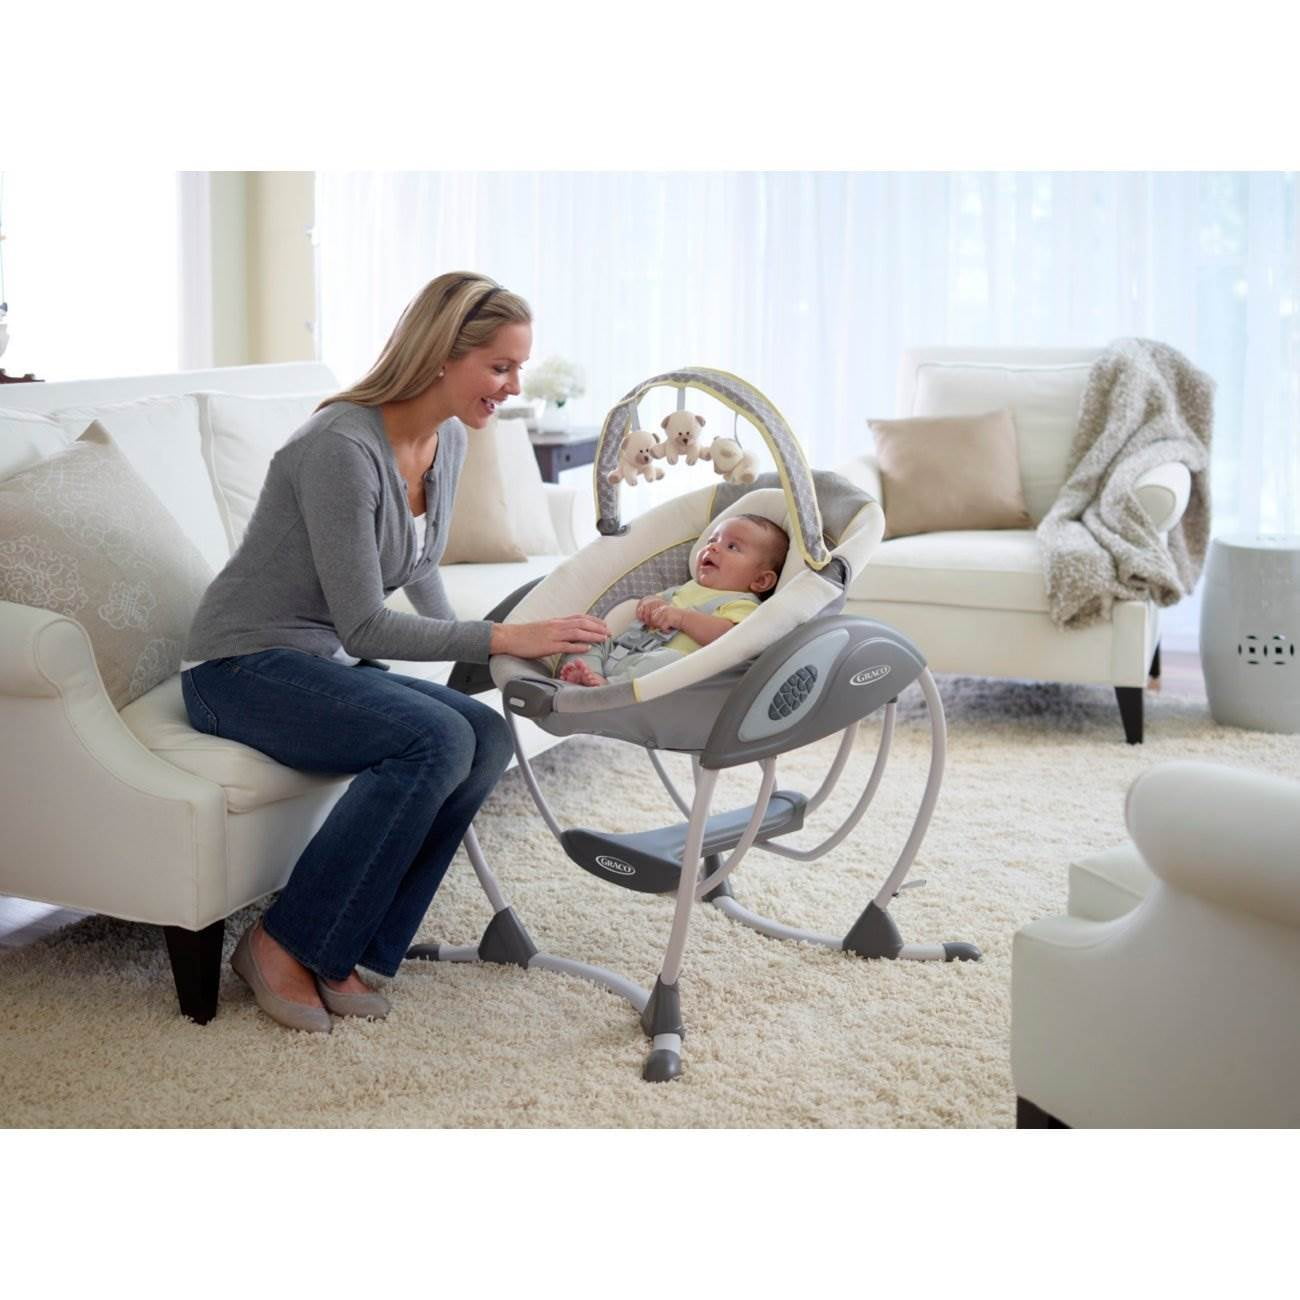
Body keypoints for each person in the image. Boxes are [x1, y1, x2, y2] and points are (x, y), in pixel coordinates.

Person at [181, 272, 609, 1034]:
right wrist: (503, 637)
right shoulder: (339, 447)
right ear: (443, 353)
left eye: (517, 367)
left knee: (482, 735)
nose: (514, 387)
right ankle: (281, 942)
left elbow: (417, 568)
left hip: (314, 665)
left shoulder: (447, 438)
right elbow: (365, 629)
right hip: (237, 669)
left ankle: (352, 949)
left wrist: (485, 665)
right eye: (500, 366)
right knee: (434, 738)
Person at [558, 514, 789, 687]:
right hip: (624, 649)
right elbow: (651, 602)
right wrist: (651, 604)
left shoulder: (743, 603)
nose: (713, 547)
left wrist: (681, 618)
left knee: (667, 661)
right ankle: (589, 673)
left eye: (732, 546)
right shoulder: (686, 588)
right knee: (589, 634)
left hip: (664, 667)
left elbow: (730, 638)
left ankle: (607, 688)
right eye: (712, 540)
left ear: (760, 581)